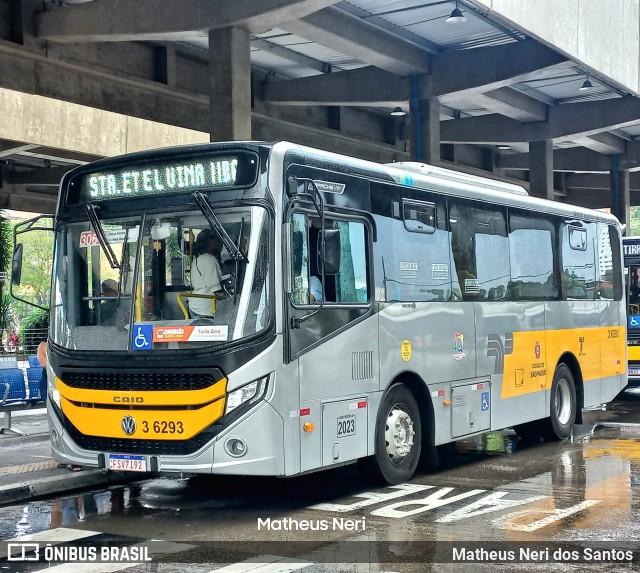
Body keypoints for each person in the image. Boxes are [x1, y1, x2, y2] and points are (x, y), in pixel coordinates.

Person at [189, 229, 223, 318]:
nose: (218, 243)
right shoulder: (210, 259)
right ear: (209, 241)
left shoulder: (196, 259)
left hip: (194, 305)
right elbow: (215, 287)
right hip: (207, 307)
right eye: (216, 240)